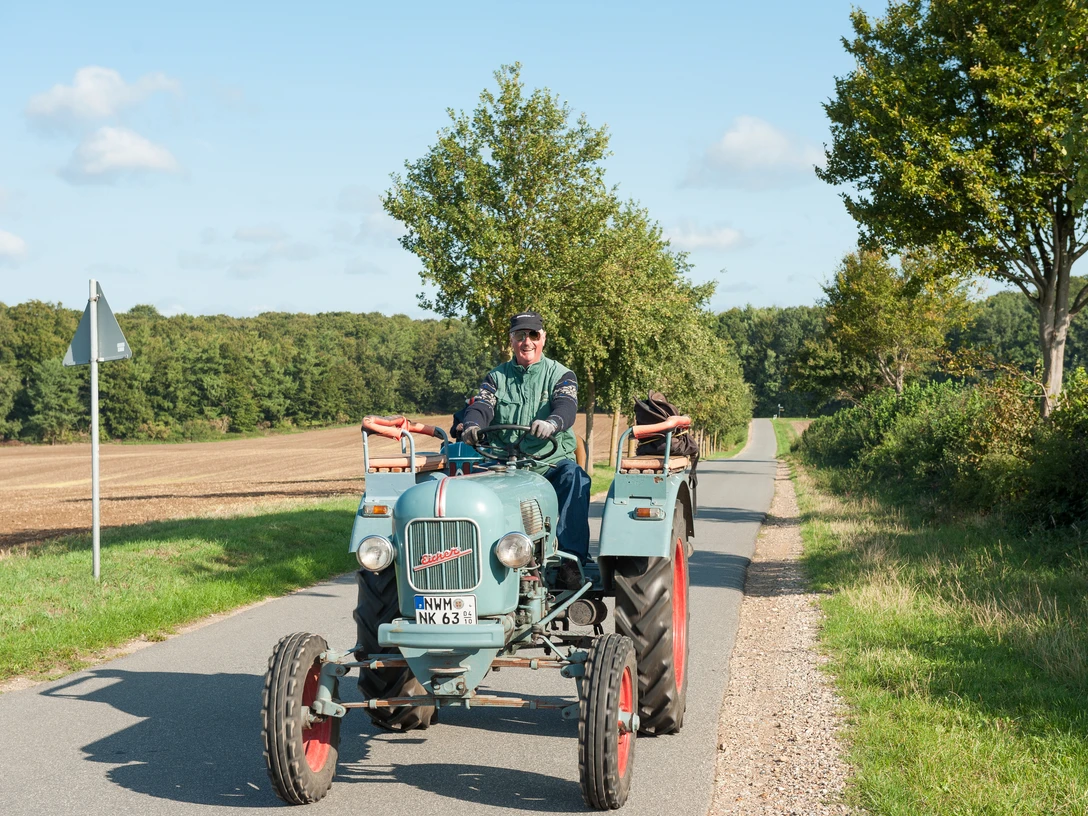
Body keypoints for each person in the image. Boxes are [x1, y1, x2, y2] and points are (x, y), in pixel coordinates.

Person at [460, 311, 590, 585]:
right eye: (520, 335)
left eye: (533, 334)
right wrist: (472, 425)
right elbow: (481, 406)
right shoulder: (496, 378)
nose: (527, 341)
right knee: (467, 493)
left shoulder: (561, 375)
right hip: (503, 464)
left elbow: (566, 407)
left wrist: (552, 423)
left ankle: (571, 562)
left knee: (574, 478)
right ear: (511, 340)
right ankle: (471, 565)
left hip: (548, 463)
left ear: (543, 338)